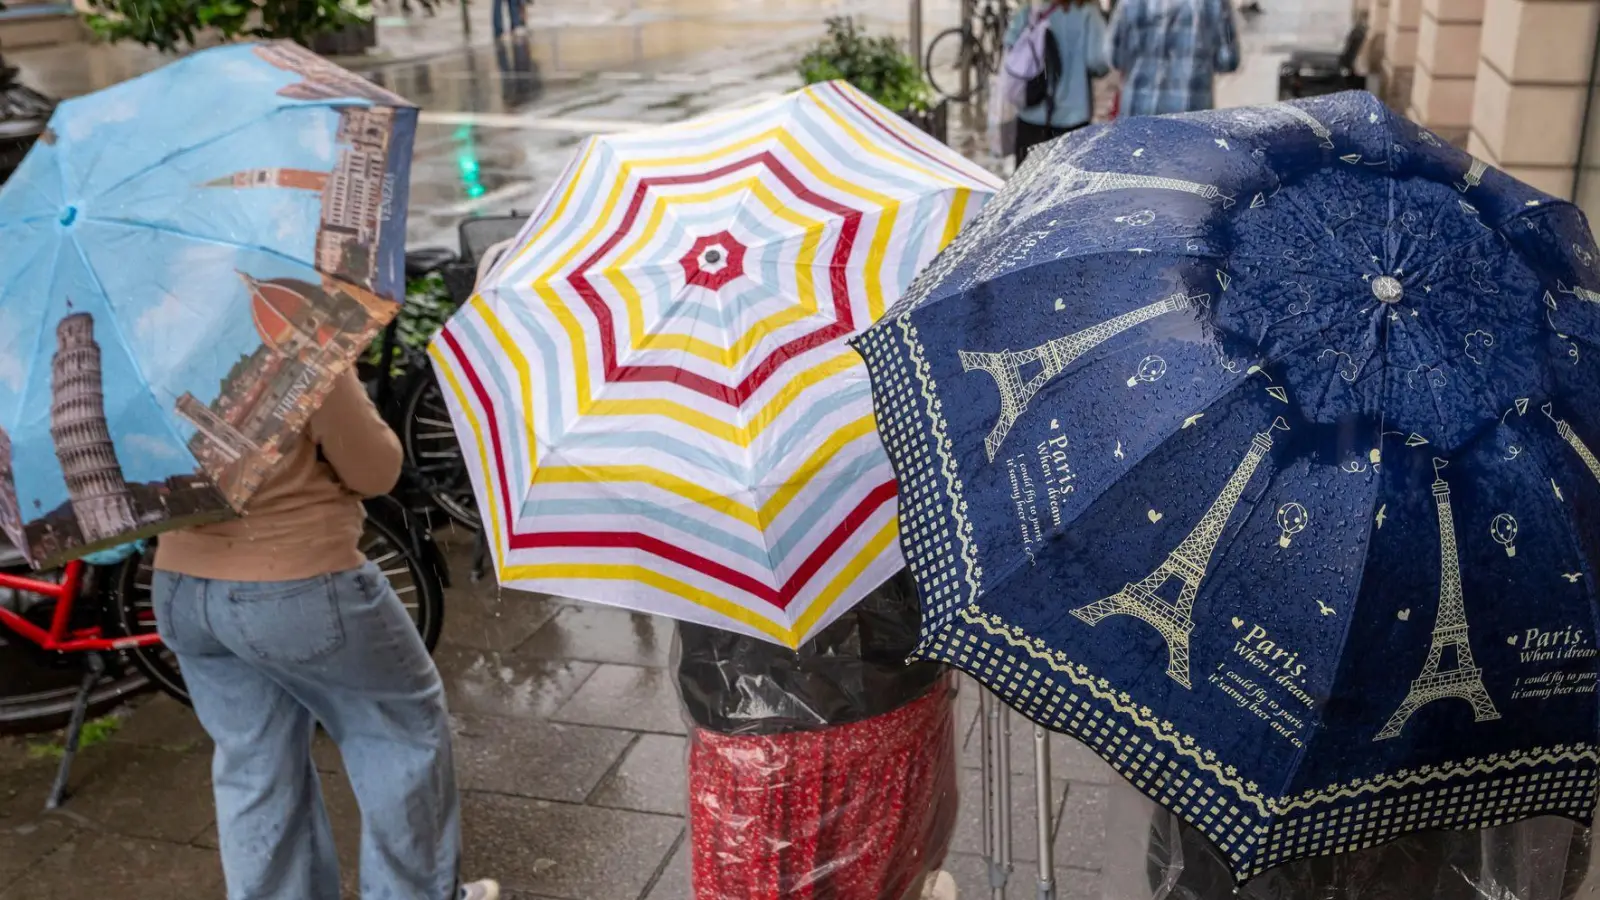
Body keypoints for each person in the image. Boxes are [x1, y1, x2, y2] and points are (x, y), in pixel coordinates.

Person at [152, 369, 498, 900]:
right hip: (294, 575)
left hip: (181, 585)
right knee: (399, 730)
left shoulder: (142, 353)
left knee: (255, 761)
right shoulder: (288, 337)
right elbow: (375, 469)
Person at [1004, 0, 1111, 166]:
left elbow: (1011, 48)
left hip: (1031, 117)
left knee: (1027, 187)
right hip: (1074, 121)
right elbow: (1098, 62)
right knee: (1068, 188)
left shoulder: (1029, 8)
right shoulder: (1088, 12)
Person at [1107, 0, 1240, 116]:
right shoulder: (1215, 3)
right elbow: (1228, 60)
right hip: (1190, 118)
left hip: (1137, 117)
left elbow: (1114, 58)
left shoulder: (1130, 2)